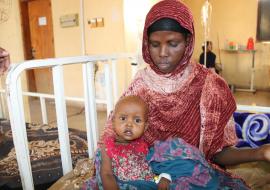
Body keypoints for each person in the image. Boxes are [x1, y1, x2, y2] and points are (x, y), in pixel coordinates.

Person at [81, 0, 270, 189]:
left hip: (192, 170)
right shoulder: (139, 87)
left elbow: (217, 153)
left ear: (188, 41)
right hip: (148, 174)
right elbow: (113, 144)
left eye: (173, 43)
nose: (163, 53)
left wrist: (260, 153)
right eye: (155, 44)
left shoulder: (210, 87)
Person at [99, 95, 223, 190]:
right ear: (113, 119)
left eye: (137, 120)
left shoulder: (142, 145)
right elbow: (106, 174)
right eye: (123, 118)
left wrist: (164, 177)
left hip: (150, 183)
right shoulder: (108, 146)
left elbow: (152, 168)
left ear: (145, 127)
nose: (129, 124)